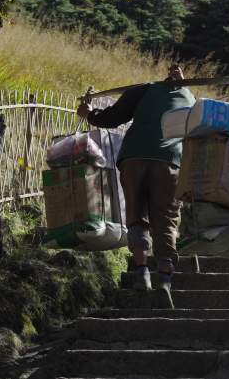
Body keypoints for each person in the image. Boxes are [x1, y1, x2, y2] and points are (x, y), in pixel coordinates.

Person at [76, 65, 195, 303]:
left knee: (137, 216)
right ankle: (165, 279)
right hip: (169, 163)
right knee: (166, 220)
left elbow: (111, 118)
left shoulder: (142, 90)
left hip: (134, 159)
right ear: (180, 81)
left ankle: (142, 272)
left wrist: (89, 114)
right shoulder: (191, 99)